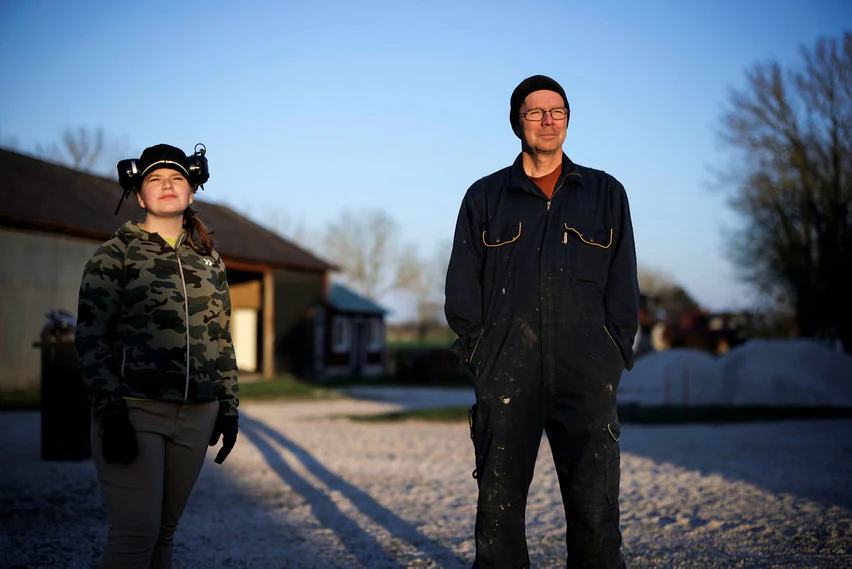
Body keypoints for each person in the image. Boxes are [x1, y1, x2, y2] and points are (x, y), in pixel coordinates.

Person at [445, 75, 638, 568]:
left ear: (568, 120)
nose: (548, 121)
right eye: (535, 112)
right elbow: (462, 287)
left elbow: (623, 283)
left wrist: (612, 354)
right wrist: (479, 353)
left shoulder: (605, 193)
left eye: (558, 111)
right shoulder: (485, 197)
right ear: (518, 122)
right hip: (507, 373)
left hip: (587, 375)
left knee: (596, 512)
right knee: (498, 513)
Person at [75, 143, 239, 569]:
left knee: (164, 534)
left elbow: (221, 337)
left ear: (191, 192)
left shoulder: (210, 260)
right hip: (135, 410)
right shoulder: (116, 254)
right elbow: (92, 337)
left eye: (177, 178)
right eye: (155, 179)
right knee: (135, 534)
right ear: (140, 195)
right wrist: (110, 413)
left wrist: (228, 407)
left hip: (197, 413)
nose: (167, 186)